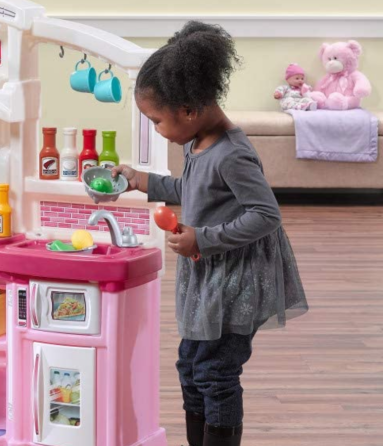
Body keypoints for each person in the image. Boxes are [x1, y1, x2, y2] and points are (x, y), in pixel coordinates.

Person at [113, 21, 308, 446]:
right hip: (212, 275)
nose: (157, 129)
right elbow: (192, 189)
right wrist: (138, 179)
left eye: (156, 120)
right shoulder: (196, 142)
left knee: (216, 372)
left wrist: (203, 238)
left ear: (188, 110)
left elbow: (266, 215)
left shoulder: (232, 155)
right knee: (192, 366)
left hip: (236, 278)